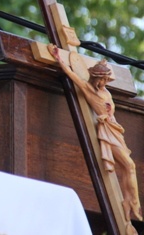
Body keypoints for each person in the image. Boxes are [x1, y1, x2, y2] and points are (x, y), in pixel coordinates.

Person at [48, 44, 142, 225]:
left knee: (127, 167)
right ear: (96, 79)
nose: (105, 83)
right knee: (129, 165)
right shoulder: (88, 89)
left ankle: (128, 202)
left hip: (114, 128)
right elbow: (72, 75)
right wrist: (59, 58)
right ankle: (134, 203)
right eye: (103, 79)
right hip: (106, 130)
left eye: (107, 80)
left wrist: (110, 109)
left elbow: (110, 106)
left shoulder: (106, 91)